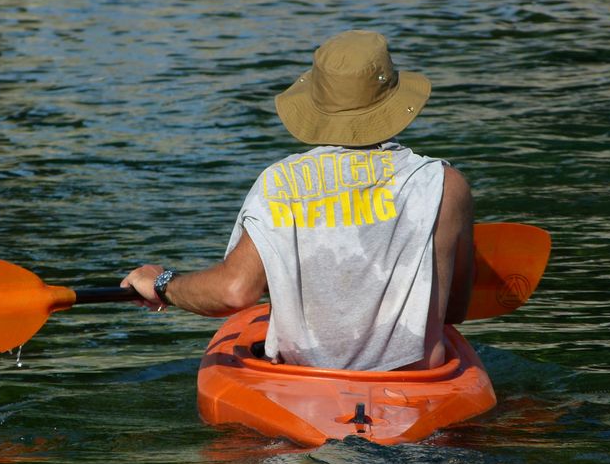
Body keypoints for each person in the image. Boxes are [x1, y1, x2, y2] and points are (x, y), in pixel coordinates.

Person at [121, 30, 474, 371]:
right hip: (417, 388)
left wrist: (163, 283)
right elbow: (454, 309)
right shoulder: (444, 184)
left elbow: (234, 292)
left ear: (316, 103)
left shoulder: (280, 183)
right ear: (394, 102)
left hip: (304, 388)